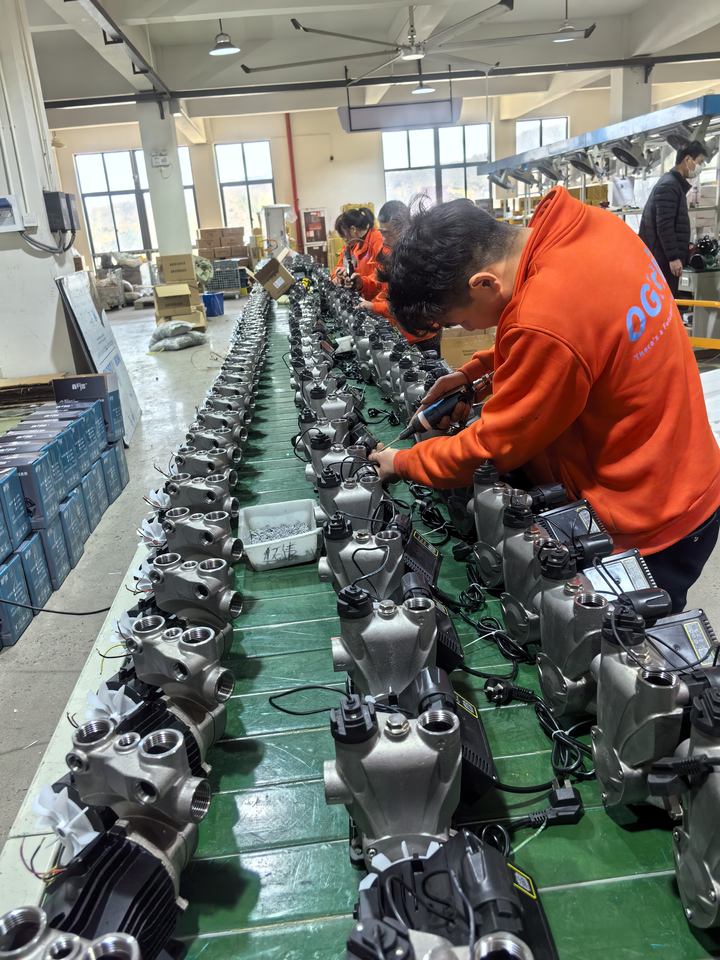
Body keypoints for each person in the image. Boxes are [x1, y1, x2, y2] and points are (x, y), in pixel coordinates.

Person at [369, 189, 720, 612]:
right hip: (688, 469)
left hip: (649, 516)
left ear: (484, 282)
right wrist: (473, 374)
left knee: (604, 641)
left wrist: (403, 462)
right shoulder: (590, 227)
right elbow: (583, 341)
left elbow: (492, 446)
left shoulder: (547, 317)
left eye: (458, 321)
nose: (467, 329)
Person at [359, 200, 442, 354]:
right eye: (381, 232)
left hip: (420, 335)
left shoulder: (420, 255)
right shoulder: (392, 250)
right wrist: (361, 283)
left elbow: (411, 302)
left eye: (387, 233)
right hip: (400, 329)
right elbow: (380, 280)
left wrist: (375, 307)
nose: (383, 239)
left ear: (402, 227)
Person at [638, 141, 708, 297]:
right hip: (662, 260)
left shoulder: (673, 184)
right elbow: (664, 225)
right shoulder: (669, 186)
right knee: (664, 299)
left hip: (662, 258)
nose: (700, 167)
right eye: (700, 162)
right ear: (687, 159)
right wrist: (673, 257)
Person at [330, 206, 384, 298]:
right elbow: (339, 266)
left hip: (375, 299)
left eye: (344, 235)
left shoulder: (377, 241)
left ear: (353, 230)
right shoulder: (353, 243)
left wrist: (361, 283)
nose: (344, 239)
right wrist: (338, 275)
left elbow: (381, 276)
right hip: (361, 295)